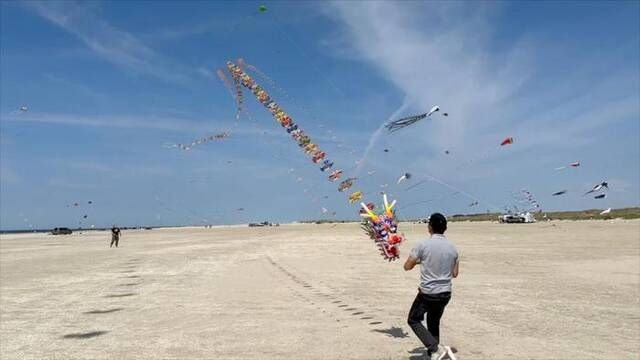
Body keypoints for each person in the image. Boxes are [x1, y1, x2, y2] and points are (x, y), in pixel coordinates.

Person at [404, 213, 459, 360]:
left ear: (430, 228)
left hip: (428, 293)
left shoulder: (423, 245)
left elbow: (407, 266)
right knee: (433, 321)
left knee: (413, 319)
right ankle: (434, 353)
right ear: (445, 228)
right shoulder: (453, 248)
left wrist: (420, 261)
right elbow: (455, 273)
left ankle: (434, 348)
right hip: (445, 293)